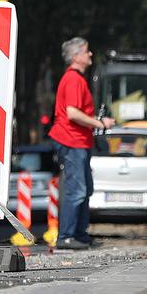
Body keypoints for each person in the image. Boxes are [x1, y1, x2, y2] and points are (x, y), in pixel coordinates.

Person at [47, 37, 115, 250]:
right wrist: (99, 123)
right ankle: (67, 236)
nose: (90, 54)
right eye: (87, 51)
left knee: (85, 188)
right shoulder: (73, 80)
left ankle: (79, 234)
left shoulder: (76, 79)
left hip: (79, 141)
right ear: (76, 56)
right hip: (72, 140)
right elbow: (73, 113)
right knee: (77, 190)